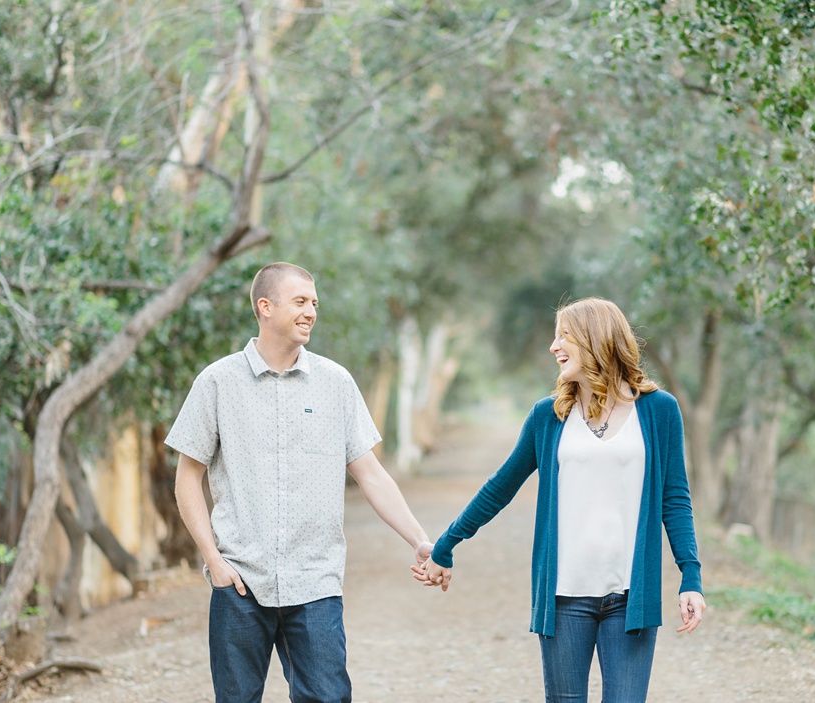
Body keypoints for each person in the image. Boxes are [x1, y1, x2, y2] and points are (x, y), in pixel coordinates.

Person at [414, 297, 706, 703]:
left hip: (630, 599)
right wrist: (445, 545)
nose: (554, 346)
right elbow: (500, 488)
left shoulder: (659, 411)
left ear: (596, 340)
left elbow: (674, 499)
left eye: (563, 335)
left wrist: (690, 576)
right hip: (563, 597)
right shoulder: (548, 417)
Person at [167, 262, 432, 703]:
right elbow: (186, 478)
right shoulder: (217, 382)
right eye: (300, 302)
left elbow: (370, 474)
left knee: (328, 698)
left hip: (315, 582)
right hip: (239, 582)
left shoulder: (336, 383)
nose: (311, 311)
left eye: (314, 303)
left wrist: (419, 540)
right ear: (265, 307)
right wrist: (213, 559)